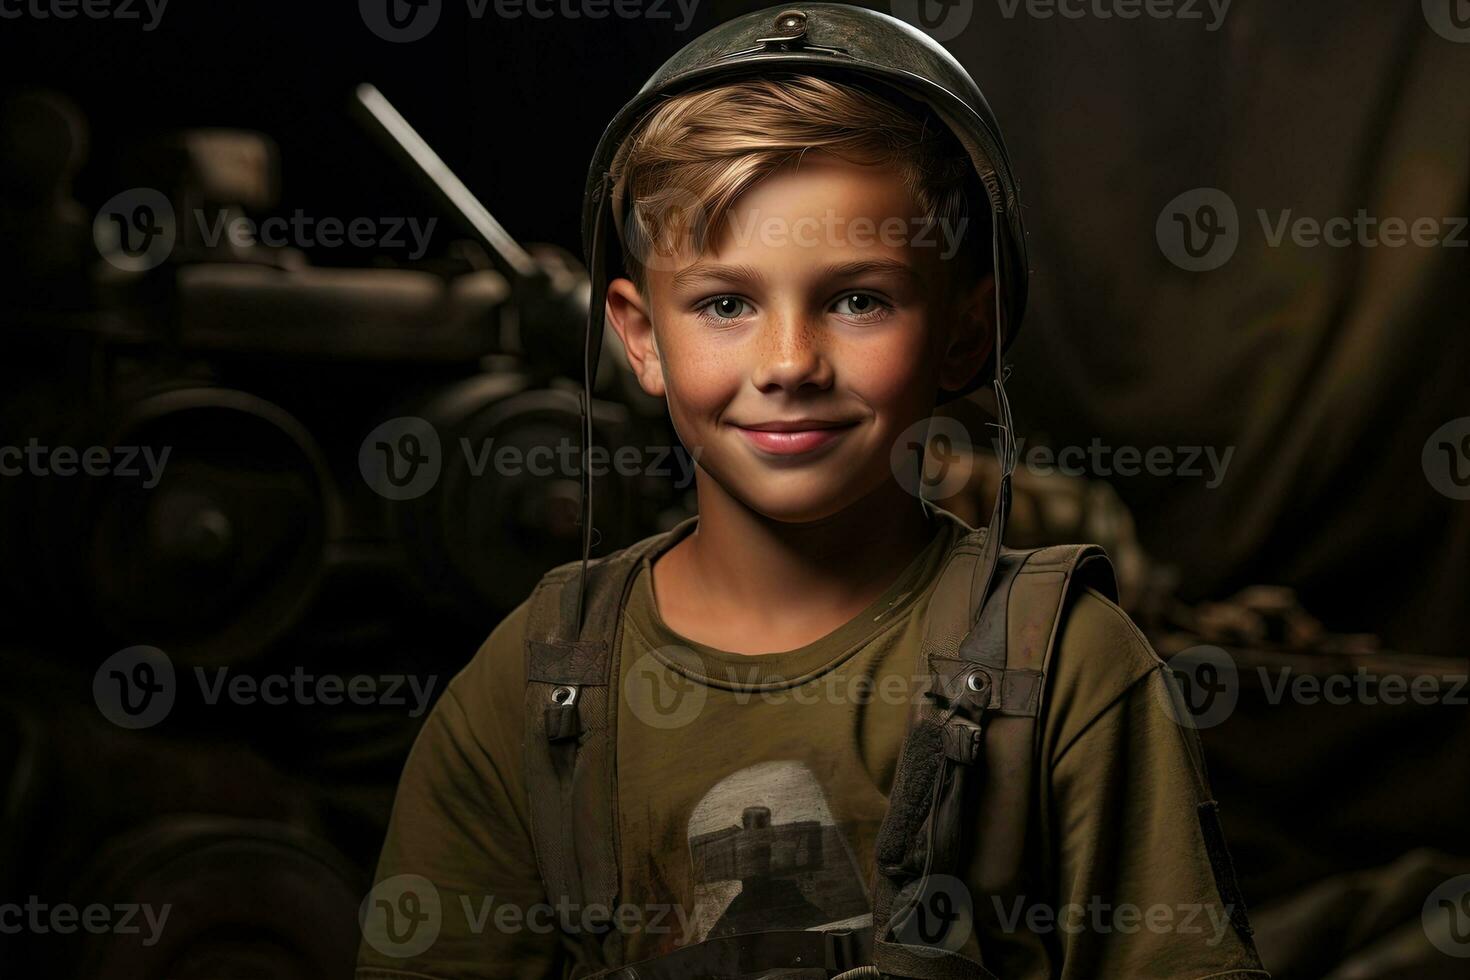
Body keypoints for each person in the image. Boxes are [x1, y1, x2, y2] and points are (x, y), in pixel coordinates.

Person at [356, 5, 1268, 978]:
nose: (790, 362)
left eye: (857, 298)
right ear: (641, 337)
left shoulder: (1070, 672)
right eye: (726, 303)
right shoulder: (533, 689)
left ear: (967, 330)